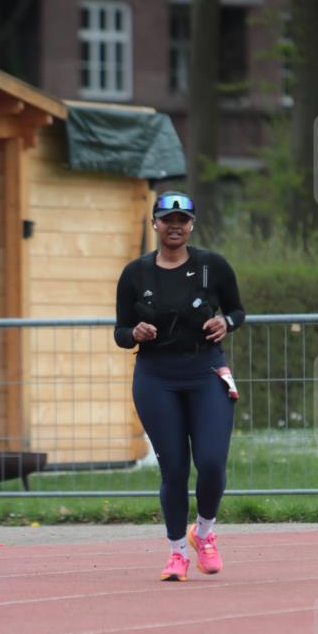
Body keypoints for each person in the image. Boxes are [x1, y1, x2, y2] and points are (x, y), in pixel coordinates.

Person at [114, 191, 246, 582]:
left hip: (206, 372)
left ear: (191, 225)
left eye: (182, 220)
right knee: (173, 468)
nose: (175, 226)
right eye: (167, 219)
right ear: (154, 223)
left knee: (210, 462)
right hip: (156, 377)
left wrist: (229, 323)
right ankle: (175, 554)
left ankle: (203, 534)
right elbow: (120, 332)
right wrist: (133, 331)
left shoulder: (212, 266)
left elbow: (237, 310)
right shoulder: (135, 274)